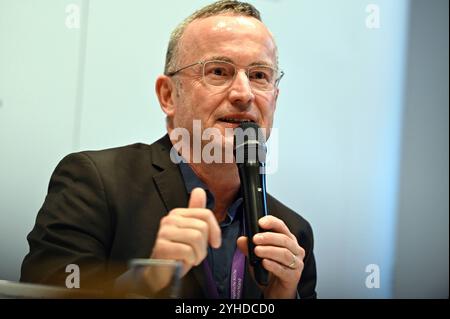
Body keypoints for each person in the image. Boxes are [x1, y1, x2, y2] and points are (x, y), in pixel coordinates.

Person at [20, 0, 317, 299]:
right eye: (218, 71)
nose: (244, 94)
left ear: (275, 99)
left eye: (259, 76)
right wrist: (146, 281)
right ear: (168, 95)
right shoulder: (95, 183)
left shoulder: (293, 234)